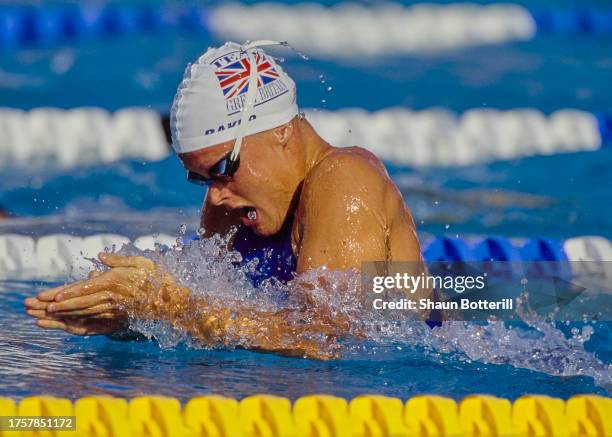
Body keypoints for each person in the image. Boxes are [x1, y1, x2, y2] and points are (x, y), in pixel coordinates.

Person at [24, 41, 430, 359]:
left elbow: (331, 341)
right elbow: (217, 322)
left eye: (223, 167)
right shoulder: (230, 204)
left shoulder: (344, 180)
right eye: (202, 179)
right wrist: (128, 314)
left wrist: (166, 303)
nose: (216, 194)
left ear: (281, 132)